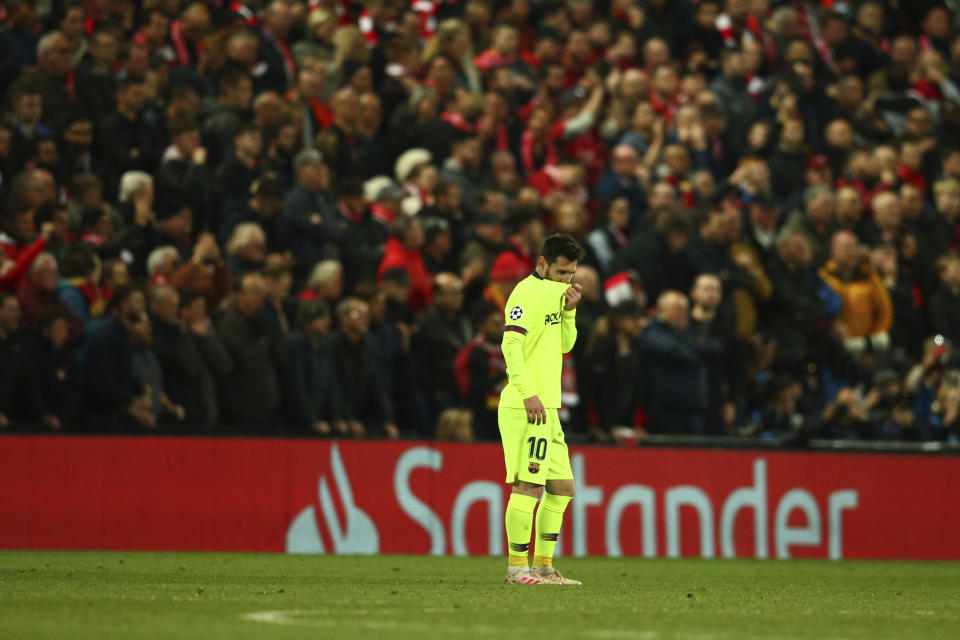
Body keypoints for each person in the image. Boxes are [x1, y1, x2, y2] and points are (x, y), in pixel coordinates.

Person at [498, 232, 584, 586]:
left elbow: (565, 345)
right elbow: (510, 345)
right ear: (542, 265)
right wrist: (528, 392)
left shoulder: (556, 296)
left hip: (549, 406)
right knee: (528, 486)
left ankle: (545, 566)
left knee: (562, 487)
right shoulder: (526, 294)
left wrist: (568, 313)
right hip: (526, 405)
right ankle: (517, 568)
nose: (567, 280)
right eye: (561, 273)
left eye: (571, 274)